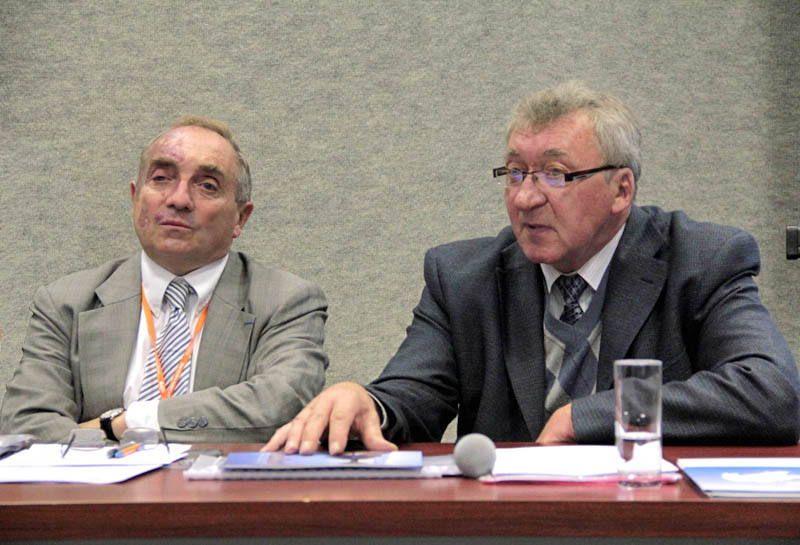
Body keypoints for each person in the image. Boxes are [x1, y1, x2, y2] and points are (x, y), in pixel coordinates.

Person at [264, 81, 800, 455]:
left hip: (649, 520)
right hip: (512, 524)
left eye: (554, 174)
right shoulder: (463, 277)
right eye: (516, 173)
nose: (525, 199)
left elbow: (773, 392)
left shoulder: (700, 259)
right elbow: (412, 396)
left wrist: (590, 416)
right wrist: (367, 402)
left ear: (621, 190)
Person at [0, 116, 328, 443]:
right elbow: (24, 425)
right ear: (135, 197)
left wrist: (125, 423)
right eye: (161, 179)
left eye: (207, 185)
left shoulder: (285, 301)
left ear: (240, 218)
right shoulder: (66, 302)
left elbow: (279, 406)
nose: (178, 199)